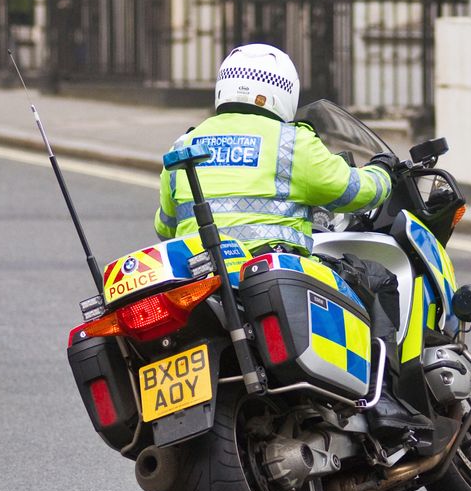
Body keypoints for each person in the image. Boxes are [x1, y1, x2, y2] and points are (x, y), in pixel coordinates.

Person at [155, 42, 427, 450]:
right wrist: (383, 174)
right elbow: (351, 190)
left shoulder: (183, 145)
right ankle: (383, 404)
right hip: (275, 269)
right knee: (377, 279)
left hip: (203, 277)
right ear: (283, 92)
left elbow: (164, 225)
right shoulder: (290, 142)